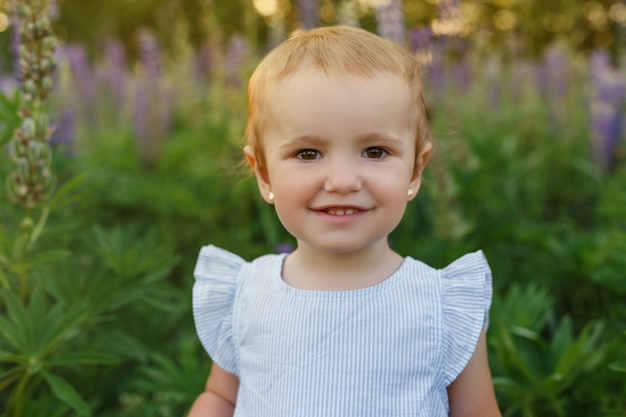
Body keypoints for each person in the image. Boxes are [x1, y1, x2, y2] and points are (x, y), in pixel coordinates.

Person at [188, 25, 501, 417]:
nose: (342, 182)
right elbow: (222, 397)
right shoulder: (246, 294)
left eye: (374, 151)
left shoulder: (442, 305)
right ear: (264, 174)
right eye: (307, 154)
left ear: (416, 170)